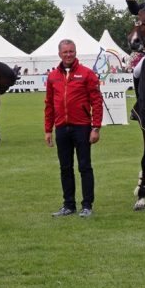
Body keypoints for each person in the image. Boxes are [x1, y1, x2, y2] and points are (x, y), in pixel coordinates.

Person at [44, 39, 104, 218]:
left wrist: (96, 127)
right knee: (65, 168)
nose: (68, 54)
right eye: (65, 52)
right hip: (61, 128)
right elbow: (49, 104)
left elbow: (97, 101)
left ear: (75, 52)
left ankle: (87, 205)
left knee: (85, 167)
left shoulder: (87, 74)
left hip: (82, 127)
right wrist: (48, 129)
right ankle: (68, 205)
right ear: (59, 54)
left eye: (71, 51)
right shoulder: (53, 76)